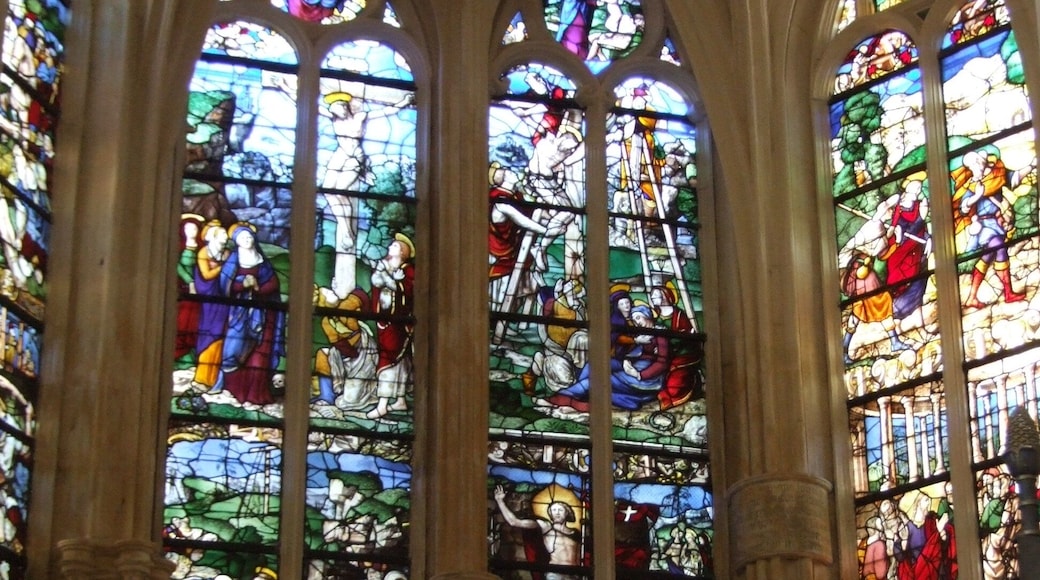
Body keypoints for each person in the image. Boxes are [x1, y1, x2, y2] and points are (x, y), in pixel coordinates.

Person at [219, 223, 285, 406]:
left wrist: (257, 288)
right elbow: (224, 286)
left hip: (264, 316)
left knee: (260, 355)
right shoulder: (232, 262)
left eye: (249, 237)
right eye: (242, 238)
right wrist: (242, 284)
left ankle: (256, 395)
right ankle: (233, 391)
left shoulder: (262, 262)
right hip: (236, 315)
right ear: (236, 242)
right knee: (232, 351)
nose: (247, 240)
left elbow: (273, 284)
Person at [951, 149, 1026, 307]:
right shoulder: (971, 185)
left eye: (976, 162)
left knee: (987, 256)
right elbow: (963, 208)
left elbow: (1014, 178)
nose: (975, 166)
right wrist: (977, 196)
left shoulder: (996, 175)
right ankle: (1008, 293)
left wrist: (1031, 166)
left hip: (999, 222)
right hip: (985, 226)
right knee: (999, 246)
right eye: (972, 165)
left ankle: (972, 297)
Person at [367, 233, 415, 419]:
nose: (390, 247)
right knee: (399, 359)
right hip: (386, 321)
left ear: (403, 252)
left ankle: (383, 404)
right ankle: (400, 400)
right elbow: (377, 286)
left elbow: (410, 294)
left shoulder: (409, 271)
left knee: (390, 359)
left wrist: (397, 283)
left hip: (399, 324)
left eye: (394, 246)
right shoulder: (385, 266)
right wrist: (385, 276)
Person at [493, 485, 580, 579]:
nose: (557, 513)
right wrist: (500, 501)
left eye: (560, 510)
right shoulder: (546, 526)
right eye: (554, 510)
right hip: (555, 573)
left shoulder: (575, 532)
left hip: (573, 573)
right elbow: (514, 522)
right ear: (550, 513)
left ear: (567, 513)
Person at [842, 251, 911, 364]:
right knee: (853, 323)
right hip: (863, 298)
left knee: (886, 318)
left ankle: (895, 343)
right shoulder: (856, 267)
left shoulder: (865, 262)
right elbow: (856, 278)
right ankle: (843, 352)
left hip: (876, 296)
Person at [882, 179, 931, 320]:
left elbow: (921, 228)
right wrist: (892, 231)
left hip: (914, 247)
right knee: (895, 272)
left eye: (919, 189)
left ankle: (910, 309)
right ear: (909, 190)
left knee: (913, 273)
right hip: (899, 246)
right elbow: (894, 226)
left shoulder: (920, 206)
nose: (918, 192)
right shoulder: (900, 207)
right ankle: (892, 304)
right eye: (916, 189)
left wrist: (928, 238)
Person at [191, 220, 230, 391]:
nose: (225, 235)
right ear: (213, 236)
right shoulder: (204, 252)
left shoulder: (228, 253)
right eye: (222, 233)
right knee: (209, 335)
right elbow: (206, 275)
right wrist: (223, 267)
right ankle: (202, 377)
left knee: (222, 334)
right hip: (209, 301)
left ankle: (215, 379)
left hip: (225, 299)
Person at [650, 284, 704, 409]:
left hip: (683, 353)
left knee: (674, 386)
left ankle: (691, 387)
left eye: (655, 296)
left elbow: (686, 336)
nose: (652, 298)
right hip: (664, 353)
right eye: (652, 296)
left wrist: (667, 344)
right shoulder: (656, 315)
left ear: (664, 297)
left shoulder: (679, 315)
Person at [612, 304, 669, 411]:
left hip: (649, 378)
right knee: (597, 377)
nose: (637, 322)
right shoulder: (642, 335)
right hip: (636, 368)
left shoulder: (660, 333)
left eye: (638, 318)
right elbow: (636, 353)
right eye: (634, 320)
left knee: (601, 380)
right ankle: (633, 401)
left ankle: (575, 398)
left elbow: (662, 363)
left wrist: (639, 375)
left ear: (647, 315)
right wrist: (627, 360)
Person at [175, 213, 205, 359]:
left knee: (195, 320)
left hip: (200, 291)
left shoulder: (202, 249)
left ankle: (193, 349)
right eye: (188, 229)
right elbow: (177, 266)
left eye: (194, 229)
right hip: (184, 290)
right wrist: (190, 281)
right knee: (182, 319)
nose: (191, 232)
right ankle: (181, 349)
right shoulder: (178, 248)